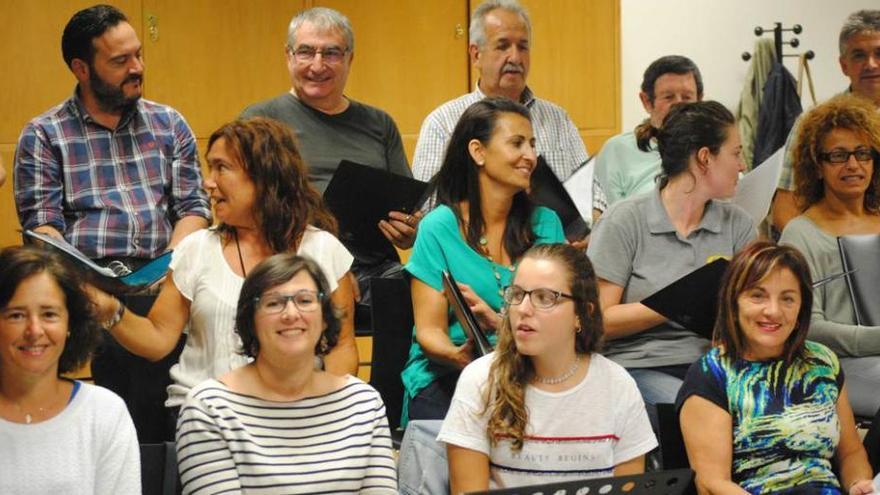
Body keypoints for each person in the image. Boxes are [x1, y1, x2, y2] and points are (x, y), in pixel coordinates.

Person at [12, 4, 211, 441]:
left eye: (138, 55)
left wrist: (170, 267)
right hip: (87, 286)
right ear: (82, 68)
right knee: (127, 361)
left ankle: (164, 459)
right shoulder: (45, 135)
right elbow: (42, 231)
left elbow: (193, 208)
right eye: (120, 62)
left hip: (167, 279)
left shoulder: (168, 123)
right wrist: (90, 288)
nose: (136, 68)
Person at [92, 118, 358, 418]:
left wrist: (331, 413)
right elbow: (158, 337)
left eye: (222, 167)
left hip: (298, 414)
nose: (209, 182)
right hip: (205, 415)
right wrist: (109, 310)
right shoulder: (196, 249)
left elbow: (341, 347)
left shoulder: (323, 249)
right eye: (210, 168)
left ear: (264, 175)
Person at [438, 243, 657, 492]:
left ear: (581, 314)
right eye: (518, 294)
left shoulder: (617, 385)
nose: (523, 309)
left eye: (545, 298)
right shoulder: (481, 379)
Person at [241, 7, 416, 318]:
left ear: (350, 58)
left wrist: (407, 231)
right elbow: (243, 214)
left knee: (429, 291)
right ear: (289, 55)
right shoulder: (259, 122)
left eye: (331, 53)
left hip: (374, 266)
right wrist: (331, 268)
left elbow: (406, 212)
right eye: (306, 52)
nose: (317, 65)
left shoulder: (379, 124)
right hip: (293, 263)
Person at [587, 101, 755, 422]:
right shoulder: (625, 220)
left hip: (716, 364)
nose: (743, 165)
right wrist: (675, 302)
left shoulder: (739, 224)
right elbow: (597, 321)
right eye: (735, 153)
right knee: (704, 413)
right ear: (705, 158)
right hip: (641, 364)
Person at [402, 97, 566, 425]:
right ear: (478, 152)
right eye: (517, 143)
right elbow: (430, 330)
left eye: (533, 144)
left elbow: (560, 320)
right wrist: (458, 356)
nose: (531, 157)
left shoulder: (547, 224)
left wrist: (500, 322)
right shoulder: (438, 227)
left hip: (529, 368)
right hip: (450, 373)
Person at [176, 253, 397, 494]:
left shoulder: (363, 402)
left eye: (305, 301)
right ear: (250, 320)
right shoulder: (210, 407)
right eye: (273, 303)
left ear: (324, 318)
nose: (291, 314)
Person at [677, 242, 874, 495]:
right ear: (733, 304)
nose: (773, 311)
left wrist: (858, 484)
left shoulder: (823, 362)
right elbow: (712, 484)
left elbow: (851, 453)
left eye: (787, 299)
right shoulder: (712, 373)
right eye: (757, 296)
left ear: (802, 307)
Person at [412, 0, 591, 210]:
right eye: (503, 46)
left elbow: (590, 191)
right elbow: (425, 208)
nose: (515, 57)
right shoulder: (443, 123)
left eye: (523, 47)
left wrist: (592, 219)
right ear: (476, 54)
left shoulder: (558, 119)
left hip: (557, 238)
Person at [0, 246, 139, 493]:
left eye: (49, 315)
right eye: (16, 315)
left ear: (70, 324)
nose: (34, 331)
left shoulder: (104, 413)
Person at [779, 94, 880, 419]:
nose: (853, 165)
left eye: (862, 153)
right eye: (838, 156)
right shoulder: (800, 234)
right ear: (817, 166)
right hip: (833, 367)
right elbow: (808, 327)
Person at [772, 9, 880, 234]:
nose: (871, 64)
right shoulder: (813, 125)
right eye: (859, 55)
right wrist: (829, 253)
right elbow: (785, 209)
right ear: (843, 65)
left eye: (879, 53)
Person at [591, 55, 703, 222]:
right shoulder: (617, 150)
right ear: (646, 101)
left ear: (700, 100)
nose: (679, 105)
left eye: (687, 97)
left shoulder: (714, 148)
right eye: (668, 97)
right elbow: (608, 219)